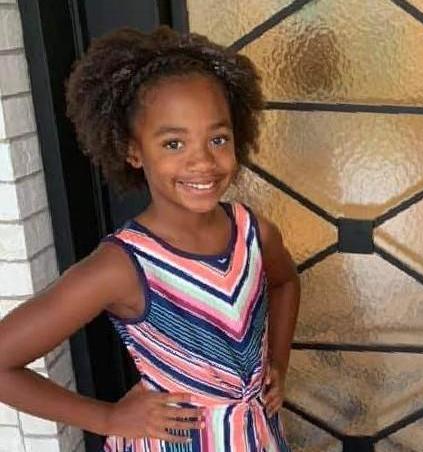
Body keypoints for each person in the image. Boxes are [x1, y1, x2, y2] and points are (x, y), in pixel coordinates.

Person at [0, 26, 300, 451]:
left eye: (218, 139)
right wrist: (108, 417)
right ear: (133, 151)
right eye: (174, 143)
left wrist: (277, 364)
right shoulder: (123, 266)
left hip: (257, 435)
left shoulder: (254, 233)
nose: (202, 161)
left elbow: (286, 282)